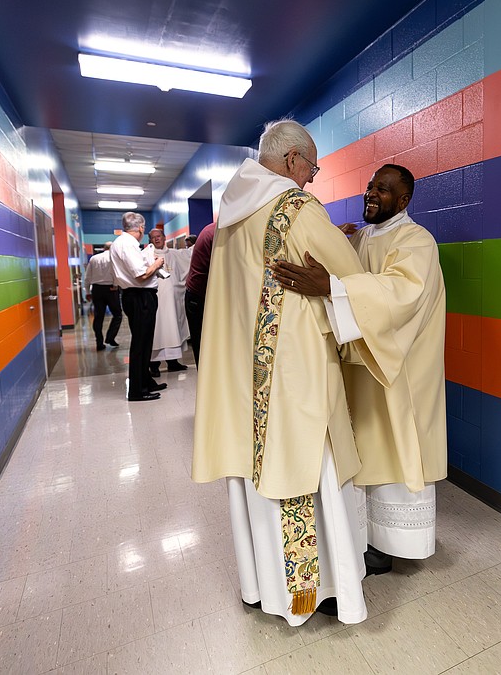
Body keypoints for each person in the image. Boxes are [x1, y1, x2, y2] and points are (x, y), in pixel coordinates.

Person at [191, 119, 380, 626]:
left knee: (258, 466)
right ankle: (316, 592)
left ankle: (263, 586)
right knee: (307, 467)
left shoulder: (230, 213)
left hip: (242, 372)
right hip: (293, 369)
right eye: (311, 167)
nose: (312, 178)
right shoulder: (296, 208)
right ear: (293, 158)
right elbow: (349, 276)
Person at [273, 163, 447, 575]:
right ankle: (366, 537)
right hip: (363, 361)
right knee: (365, 447)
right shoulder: (363, 236)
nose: (371, 193)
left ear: (403, 200)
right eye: (370, 186)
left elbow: (400, 294)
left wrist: (332, 287)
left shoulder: (417, 240)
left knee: (394, 446)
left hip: (400, 369)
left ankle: (397, 543)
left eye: (383, 189)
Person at [109, 212, 167, 402]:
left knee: (145, 341)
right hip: (139, 297)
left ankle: (146, 381)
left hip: (137, 296)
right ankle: (137, 390)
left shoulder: (123, 243)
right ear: (141, 228)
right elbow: (141, 275)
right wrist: (157, 263)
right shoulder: (127, 244)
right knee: (141, 344)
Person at [145, 228, 189, 374]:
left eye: (159, 236)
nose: (157, 239)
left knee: (172, 327)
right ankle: (154, 365)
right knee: (158, 330)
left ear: (164, 238)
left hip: (173, 300)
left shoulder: (174, 254)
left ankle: (173, 362)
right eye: (153, 237)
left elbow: (190, 256)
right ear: (150, 240)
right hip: (156, 299)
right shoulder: (147, 255)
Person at [184, 222, 215, 367]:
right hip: (199, 297)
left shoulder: (213, 230)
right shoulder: (215, 233)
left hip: (203, 295)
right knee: (203, 347)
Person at [83, 242, 122, 350]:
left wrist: (87, 291)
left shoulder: (94, 258)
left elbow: (87, 277)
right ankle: (110, 337)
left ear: (104, 248)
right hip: (111, 289)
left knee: (98, 316)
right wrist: (116, 285)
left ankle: (99, 343)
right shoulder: (115, 258)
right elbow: (117, 274)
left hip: (97, 289)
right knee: (117, 315)